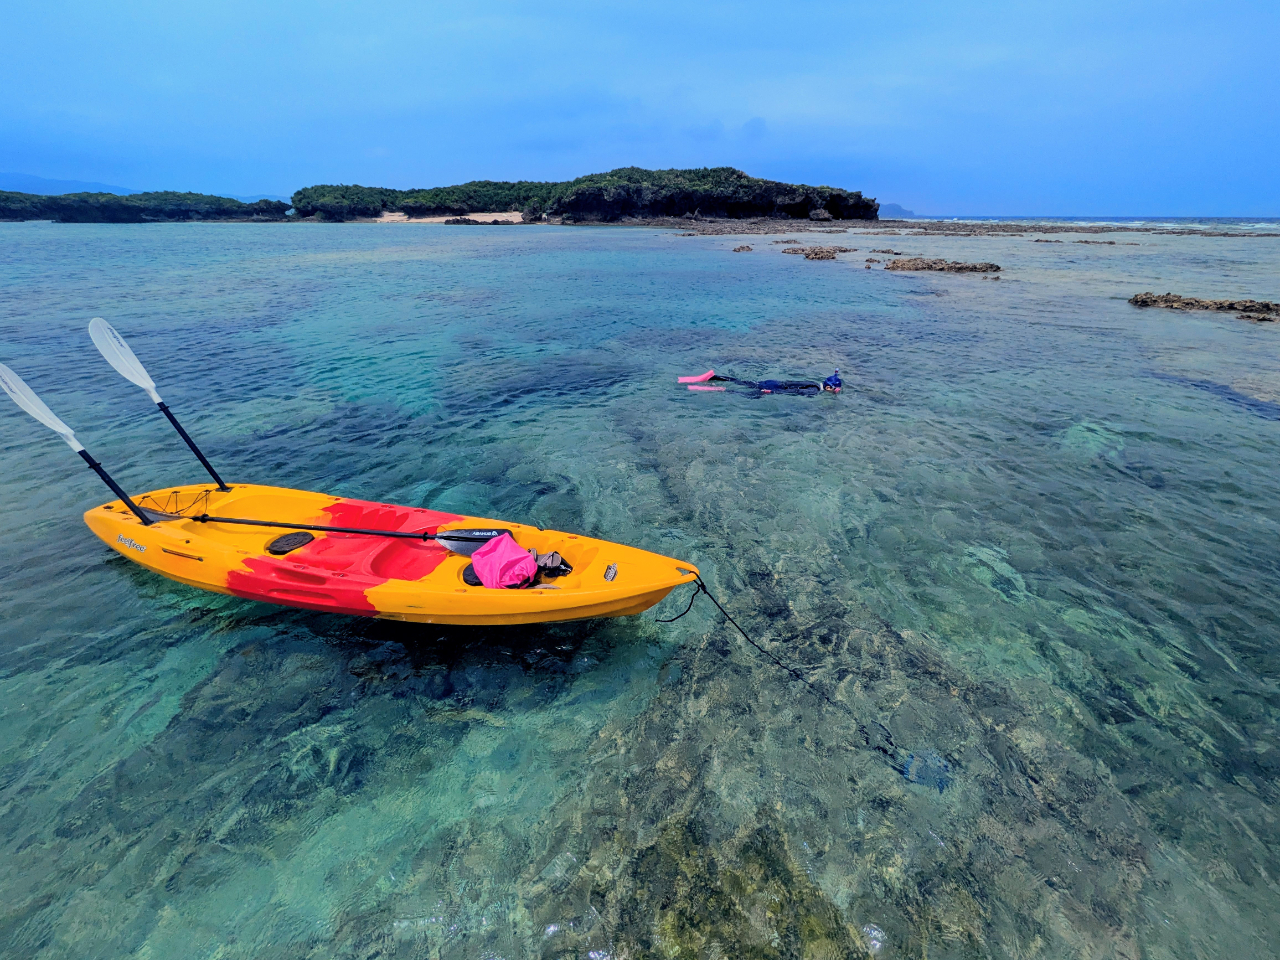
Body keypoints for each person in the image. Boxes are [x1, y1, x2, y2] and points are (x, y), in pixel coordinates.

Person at [679, 368, 842, 396]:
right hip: (774, 388)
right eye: (835, 390)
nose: (835, 392)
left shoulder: (812, 382)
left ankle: (711, 377)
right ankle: (720, 389)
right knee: (745, 395)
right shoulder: (813, 391)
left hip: (772, 381)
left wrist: (772, 386)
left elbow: (791, 383)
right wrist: (772, 393)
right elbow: (795, 392)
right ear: (828, 387)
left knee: (740, 382)